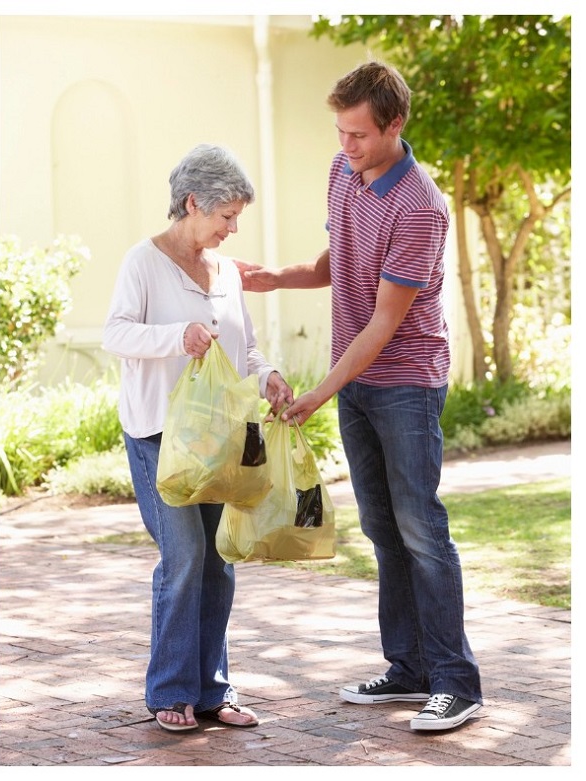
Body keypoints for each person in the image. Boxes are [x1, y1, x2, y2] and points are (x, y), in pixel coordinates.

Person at [238, 61, 483, 731]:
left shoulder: (421, 207)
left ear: (395, 125)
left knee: (422, 529)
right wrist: (270, 277)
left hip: (404, 382)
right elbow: (337, 263)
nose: (346, 147)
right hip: (357, 380)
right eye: (340, 132)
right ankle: (408, 668)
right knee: (381, 527)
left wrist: (318, 390)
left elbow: (383, 319)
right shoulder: (342, 172)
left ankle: (456, 681)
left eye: (358, 135)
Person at [102, 144, 293, 732]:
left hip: (220, 441)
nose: (233, 228)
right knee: (183, 559)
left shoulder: (227, 273)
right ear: (192, 204)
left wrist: (270, 376)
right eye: (225, 216)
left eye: (236, 217)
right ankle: (169, 691)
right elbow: (116, 333)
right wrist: (174, 336)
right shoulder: (143, 261)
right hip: (161, 435)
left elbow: (246, 347)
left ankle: (213, 689)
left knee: (220, 561)